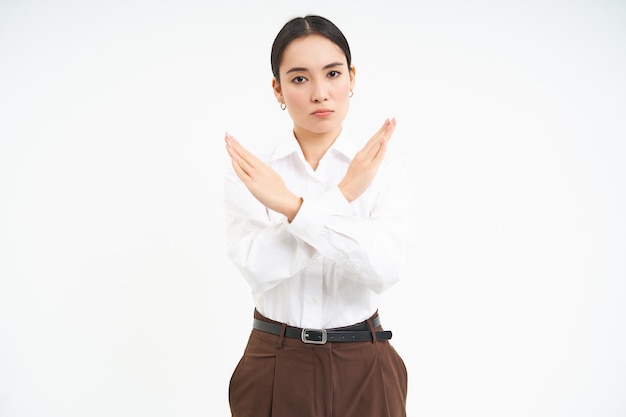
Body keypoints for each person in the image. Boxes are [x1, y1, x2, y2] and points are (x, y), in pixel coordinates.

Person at [223, 14, 412, 417]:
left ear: (352, 78)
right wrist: (343, 196)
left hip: (366, 361)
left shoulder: (382, 168)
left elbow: (385, 268)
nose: (320, 93)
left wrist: (293, 208)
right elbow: (258, 267)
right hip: (274, 360)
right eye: (299, 78)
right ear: (278, 89)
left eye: (332, 73)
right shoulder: (255, 173)